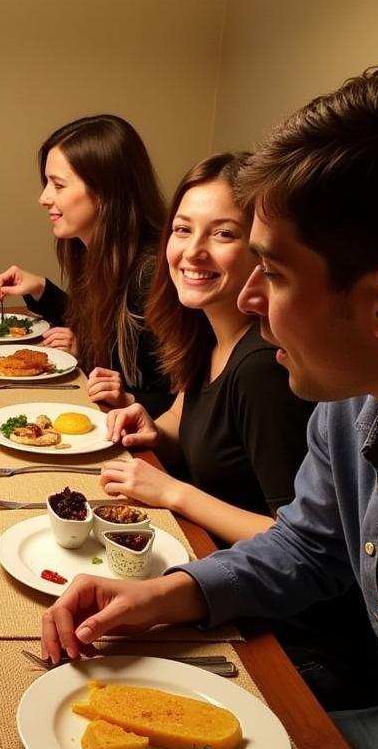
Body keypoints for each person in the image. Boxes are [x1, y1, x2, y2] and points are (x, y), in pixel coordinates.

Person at [40, 67, 378, 749]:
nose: (251, 299)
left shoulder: (276, 373)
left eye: (277, 274)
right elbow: (309, 545)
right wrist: (167, 592)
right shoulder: (350, 403)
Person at [101, 152, 314, 546]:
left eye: (223, 234)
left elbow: (300, 541)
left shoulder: (262, 368)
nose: (193, 251)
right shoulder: (207, 331)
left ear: (261, 251)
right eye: (183, 230)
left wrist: (173, 493)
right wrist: (153, 428)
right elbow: (186, 418)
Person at [0, 114, 173, 416]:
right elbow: (101, 323)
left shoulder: (150, 276)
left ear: (104, 192)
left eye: (58, 185)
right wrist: (42, 290)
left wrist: (129, 398)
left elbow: (183, 400)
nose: (44, 197)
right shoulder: (93, 251)